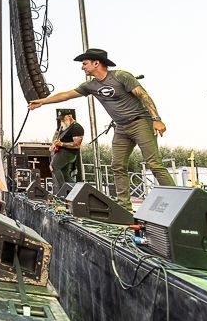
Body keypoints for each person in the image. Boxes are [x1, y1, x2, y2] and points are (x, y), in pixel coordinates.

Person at [28, 48, 176, 208]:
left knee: (154, 163)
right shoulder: (90, 85)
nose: (82, 67)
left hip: (140, 122)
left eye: (85, 63)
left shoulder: (121, 76)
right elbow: (66, 95)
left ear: (96, 63)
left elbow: (143, 95)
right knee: (117, 165)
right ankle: (124, 206)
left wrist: (156, 119)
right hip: (121, 127)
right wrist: (42, 101)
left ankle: (176, 203)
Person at [50, 112, 84, 194]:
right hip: (61, 151)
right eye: (60, 119)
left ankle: (63, 191)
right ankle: (77, 191)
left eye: (63, 118)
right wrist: (53, 144)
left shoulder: (77, 127)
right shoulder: (62, 126)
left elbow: (77, 145)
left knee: (54, 166)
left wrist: (62, 144)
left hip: (68, 152)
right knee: (65, 174)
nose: (62, 120)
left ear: (70, 116)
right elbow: (55, 136)